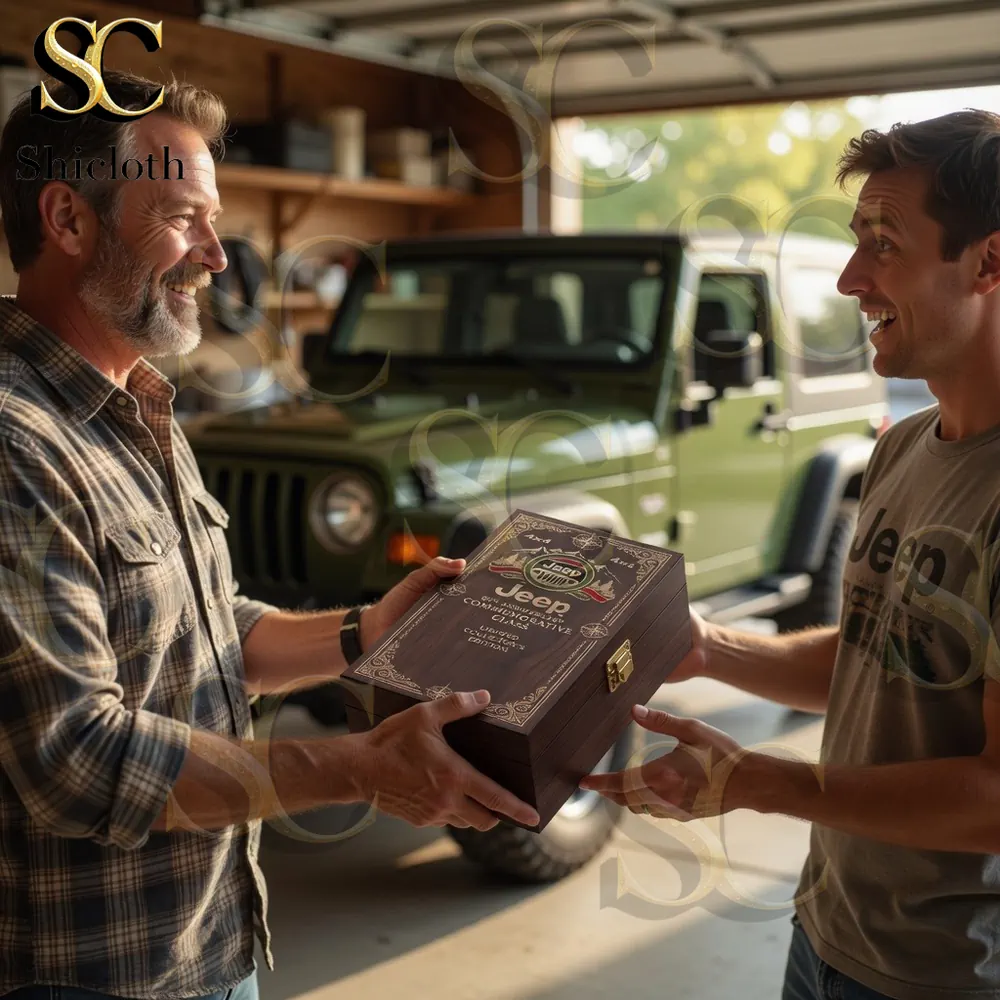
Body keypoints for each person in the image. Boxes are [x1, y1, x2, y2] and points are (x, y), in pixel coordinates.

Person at [0, 71, 538, 1000]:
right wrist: (357, 770)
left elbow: (203, 635)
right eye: (181, 217)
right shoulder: (15, 441)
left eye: (215, 219)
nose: (217, 255)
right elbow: (76, 759)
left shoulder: (139, 405)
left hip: (212, 945)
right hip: (96, 977)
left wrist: (365, 632)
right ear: (68, 219)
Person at [581, 109, 1000, 1000]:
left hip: (947, 975)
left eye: (883, 244)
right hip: (829, 932)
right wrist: (706, 647)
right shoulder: (904, 447)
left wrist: (760, 782)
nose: (852, 278)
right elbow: (876, 658)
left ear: (990, 262)